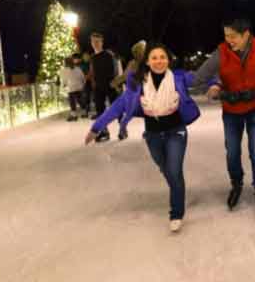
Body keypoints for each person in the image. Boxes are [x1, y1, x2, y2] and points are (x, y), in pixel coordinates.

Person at [84, 42, 201, 232]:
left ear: (168, 60)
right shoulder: (137, 84)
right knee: (168, 171)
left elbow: (202, 77)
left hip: (176, 132)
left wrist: (215, 85)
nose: (159, 61)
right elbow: (118, 106)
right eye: (154, 58)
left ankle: (176, 212)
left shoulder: (178, 78)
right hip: (153, 136)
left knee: (174, 169)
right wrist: (97, 127)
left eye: (162, 57)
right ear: (147, 61)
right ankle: (178, 189)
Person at [190, 18, 255, 220]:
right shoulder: (221, 52)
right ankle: (236, 184)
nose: (228, 40)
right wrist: (213, 85)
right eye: (225, 35)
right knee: (232, 152)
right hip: (231, 111)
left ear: (246, 34)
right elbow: (198, 79)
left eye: (232, 36)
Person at [110, 40, 147, 140]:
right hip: (134, 91)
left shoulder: (147, 63)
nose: (141, 53)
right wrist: (116, 82)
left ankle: (148, 131)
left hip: (146, 91)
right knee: (130, 112)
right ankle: (122, 129)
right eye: (139, 51)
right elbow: (125, 76)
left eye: (143, 50)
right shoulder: (133, 64)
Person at [89, 32, 119, 142]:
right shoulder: (93, 57)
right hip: (98, 87)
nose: (95, 44)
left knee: (117, 108)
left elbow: (115, 70)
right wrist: (93, 83)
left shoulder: (108, 55)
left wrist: (114, 82)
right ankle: (103, 131)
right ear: (91, 43)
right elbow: (93, 72)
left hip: (110, 85)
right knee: (100, 110)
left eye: (97, 41)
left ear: (102, 42)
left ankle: (122, 129)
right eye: (93, 42)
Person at [59, 56, 87, 121]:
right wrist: (82, 85)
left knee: (72, 101)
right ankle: (84, 113)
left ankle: (74, 115)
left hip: (71, 88)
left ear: (65, 63)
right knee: (80, 100)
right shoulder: (78, 69)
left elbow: (63, 81)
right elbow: (83, 78)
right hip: (79, 87)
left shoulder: (63, 70)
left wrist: (62, 87)